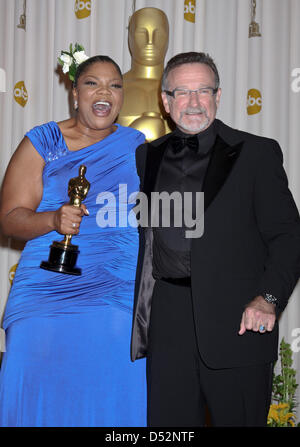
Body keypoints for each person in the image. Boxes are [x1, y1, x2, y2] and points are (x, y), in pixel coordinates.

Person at [130, 51, 300, 427]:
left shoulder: (257, 153)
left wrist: (269, 298)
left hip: (238, 320)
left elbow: (289, 236)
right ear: (166, 100)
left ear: (218, 97)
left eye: (203, 91)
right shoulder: (146, 156)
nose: (193, 103)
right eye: (182, 93)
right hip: (167, 320)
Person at [0, 54, 147, 427]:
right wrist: (51, 218)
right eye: (92, 82)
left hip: (116, 290)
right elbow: (8, 218)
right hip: (46, 291)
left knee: (111, 395)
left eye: (115, 85)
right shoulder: (42, 141)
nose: (104, 92)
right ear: (75, 93)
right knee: (39, 394)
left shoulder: (137, 145)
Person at [117, 7, 171, 141]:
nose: (150, 41)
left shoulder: (182, 91)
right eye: (142, 33)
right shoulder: (114, 88)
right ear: (130, 37)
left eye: (159, 34)